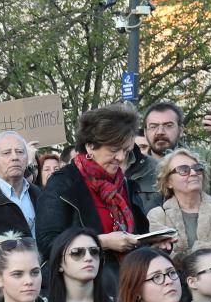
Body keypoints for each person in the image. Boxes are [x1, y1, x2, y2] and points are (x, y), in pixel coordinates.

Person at [38, 103, 149, 264]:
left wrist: (153, 243)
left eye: (126, 151)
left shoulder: (126, 185)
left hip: (127, 281)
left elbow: (137, 235)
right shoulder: (63, 183)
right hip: (85, 284)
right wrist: (102, 242)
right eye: (114, 150)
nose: (120, 157)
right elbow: (48, 244)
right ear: (90, 146)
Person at [145, 147, 211, 262]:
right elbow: (161, 257)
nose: (193, 173)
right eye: (183, 170)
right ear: (168, 182)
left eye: (198, 168)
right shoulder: (157, 214)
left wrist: (187, 253)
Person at [127, 101, 184, 211]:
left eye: (168, 126)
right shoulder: (130, 169)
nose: (160, 132)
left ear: (181, 130)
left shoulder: (200, 161)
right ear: (145, 132)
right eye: (153, 127)